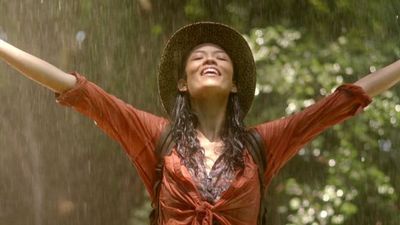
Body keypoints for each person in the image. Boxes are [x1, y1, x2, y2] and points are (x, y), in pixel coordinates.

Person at [0, 22, 399, 225]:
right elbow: (80, 91)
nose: (210, 58)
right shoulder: (157, 136)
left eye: (220, 56)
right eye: (198, 56)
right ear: (182, 83)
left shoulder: (264, 143)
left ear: (235, 83)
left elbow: (341, 102)